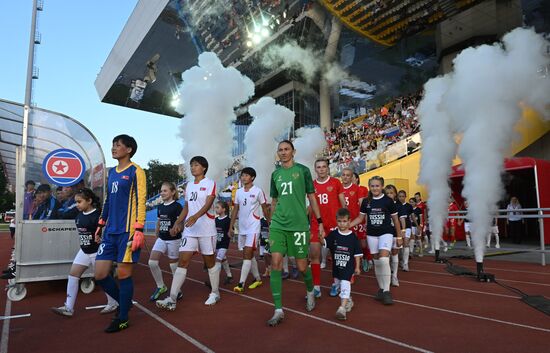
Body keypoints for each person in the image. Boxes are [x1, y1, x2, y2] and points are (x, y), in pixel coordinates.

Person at [266, 140, 324, 326]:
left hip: (299, 225)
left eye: (286, 149)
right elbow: (274, 201)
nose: (283, 152)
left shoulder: (303, 171)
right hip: (278, 225)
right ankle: (278, 309)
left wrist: (320, 221)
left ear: (293, 151)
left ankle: (309, 292)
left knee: (300, 267)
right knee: (275, 263)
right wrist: (271, 221)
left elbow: (312, 197)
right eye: (280, 150)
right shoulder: (275, 175)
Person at [94, 134, 146, 333]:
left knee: (124, 275)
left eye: (118, 145)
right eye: (112, 145)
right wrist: (101, 223)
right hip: (110, 232)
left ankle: (123, 317)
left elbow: (141, 200)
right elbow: (107, 201)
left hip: (128, 232)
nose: (114, 148)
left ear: (129, 149)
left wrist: (139, 229)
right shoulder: (112, 173)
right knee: (100, 274)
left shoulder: (136, 171)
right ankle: (125, 303)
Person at [156, 156, 222, 311]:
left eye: (196, 165)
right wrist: (178, 223)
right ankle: (172, 298)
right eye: (191, 165)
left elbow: (208, 204)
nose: (193, 167)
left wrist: (195, 216)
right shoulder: (189, 185)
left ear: (204, 167)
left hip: (206, 229)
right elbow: (186, 207)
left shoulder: (210, 183)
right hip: (190, 230)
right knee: (183, 262)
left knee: (210, 262)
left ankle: (215, 292)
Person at [51, 188, 118, 317]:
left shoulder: (98, 215)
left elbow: (107, 233)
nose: (77, 204)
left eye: (79, 202)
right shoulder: (78, 213)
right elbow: (64, 214)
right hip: (84, 251)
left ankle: (113, 302)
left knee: (103, 278)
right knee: (73, 275)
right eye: (76, 202)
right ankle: (68, 307)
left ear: (89, 201)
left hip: (97, 252)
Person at [351, 176, 402, 305]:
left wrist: (399, 236)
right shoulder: (366, 201)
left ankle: (387, 291)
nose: (375, 188)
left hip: (386, 233)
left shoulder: (388, 201)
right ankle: (381, 289)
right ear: (369, 187)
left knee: (384, 259)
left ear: (382, 186)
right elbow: (360, 218)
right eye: (372, 186)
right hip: (371, 235)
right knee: (377, 261)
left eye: (377, 186)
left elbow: (396, 220)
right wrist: (347, 225)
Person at [229, 167, 270, 293]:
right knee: (249, 255)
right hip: (242, 227)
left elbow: (264, 208)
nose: (243, 177)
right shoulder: (239, 192)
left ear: (252, 177)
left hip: (253, 227)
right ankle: (257, 278)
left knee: (247, 255)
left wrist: (270, 223)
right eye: (242, 175)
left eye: (246, 175)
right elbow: (235, 209)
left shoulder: (258, 191)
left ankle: (241, 284)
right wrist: (231, 225)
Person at [309, 159, 345, 297]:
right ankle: (316, 288)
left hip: (334, 225)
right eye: (319, 167)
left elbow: (342, 203)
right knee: (314, 254)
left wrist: (345, 223)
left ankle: (336, 283)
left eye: (324, 167)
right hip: (316, 224)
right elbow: (311, 206)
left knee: (337, 256)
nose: (322, 169)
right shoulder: (311, 185)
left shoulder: (336, 182)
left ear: (328, 168)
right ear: (315, 169)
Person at [323, 208, 362, 321]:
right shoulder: (334, 234)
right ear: (336, 221)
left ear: (349, 221)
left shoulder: (353, 237)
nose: (342, 223)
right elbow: (325, 243)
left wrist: (357, 267)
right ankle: (348, 300)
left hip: (348, 268)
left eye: (344, 221)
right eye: (340, 221)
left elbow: (357, 253)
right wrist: (321, 237)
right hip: (337, 268)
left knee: (345, 284)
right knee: (339, 285)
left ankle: (342, 308)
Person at [148, 182, 184, 301]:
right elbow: (159, 221)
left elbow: (181, 223)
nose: (162, 193)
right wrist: (156, 233)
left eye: (165, 191)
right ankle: (161, 286)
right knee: (152, 262)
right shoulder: (160, 207)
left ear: (173, 192)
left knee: (173, 266)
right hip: (162, 239)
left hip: (174, 240)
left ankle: (177, 290)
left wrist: (177, 229)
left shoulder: (177, 206)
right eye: (161, 191)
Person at [384, 184, 401, 287]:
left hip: (395, 233)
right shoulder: (383, 203)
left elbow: (400, 220)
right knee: (385, 255)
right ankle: (387, 275)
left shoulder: (399, 205)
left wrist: (400, 234)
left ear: (395, 194)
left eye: (391, 193)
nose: (389, 195)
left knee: (394, 253)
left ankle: (394, 276)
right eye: (387, 193)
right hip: (385, 233)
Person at [215, 200, 233, 284]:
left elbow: (231, 231)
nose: (216, 209)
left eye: (218, 207)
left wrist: (231, 233)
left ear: (224, 209)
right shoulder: (215, 220)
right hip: (217, 244)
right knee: (223, 260)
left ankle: (215, 281)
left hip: (224, 244)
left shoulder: (228, 220)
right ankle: (229, 275)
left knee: (218, 260)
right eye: (215, 207)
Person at [397, 190, 414, 272]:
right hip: (397, 227)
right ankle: (401, 260)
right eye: (399, 196)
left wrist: (418, 226)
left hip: (407, 227)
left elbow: (412, 216)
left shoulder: (409, 206)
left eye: (403, 196)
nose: (401, 198)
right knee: (399, 245)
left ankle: (406, 263)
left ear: (405, 196)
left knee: (406, 243)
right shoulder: (395, 205)